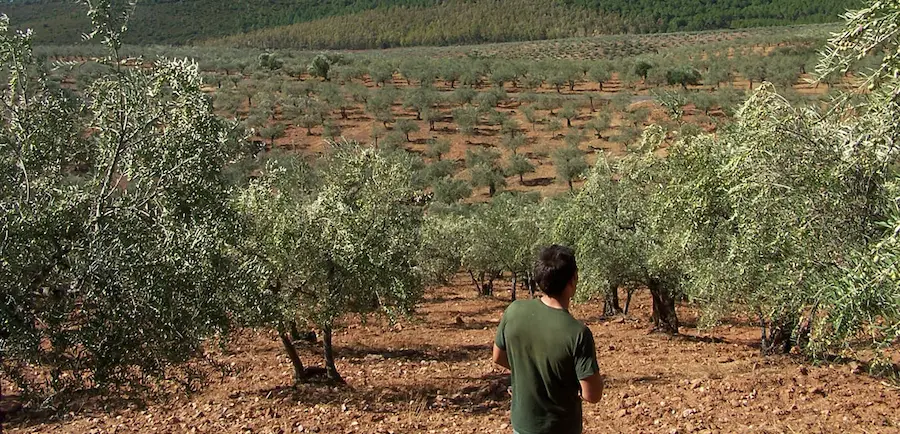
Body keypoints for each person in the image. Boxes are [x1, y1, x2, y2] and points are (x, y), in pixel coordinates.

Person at [492, 244, 604, 434]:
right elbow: (592, 395)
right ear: (573, 279)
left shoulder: (514, 311)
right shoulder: (578, 333)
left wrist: (528, 374)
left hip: (522, 425)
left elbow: (498, 357)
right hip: (559, 427)